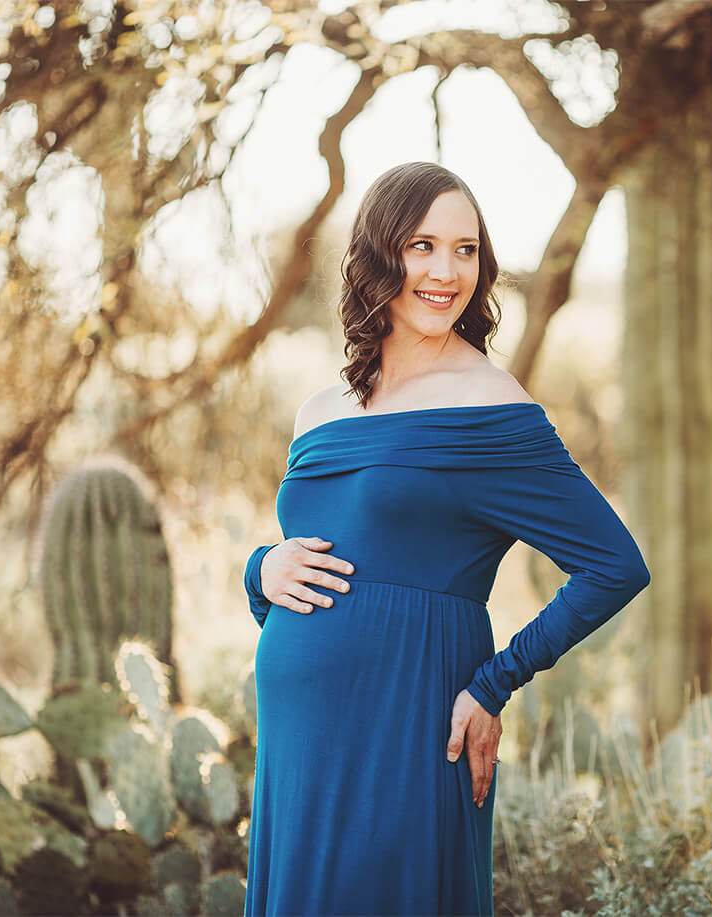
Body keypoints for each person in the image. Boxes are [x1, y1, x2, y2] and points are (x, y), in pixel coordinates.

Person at [240, 162, 649, 915]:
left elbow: (615, 565)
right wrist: (259, 570)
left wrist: (495, 683)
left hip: (410, 721)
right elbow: (320, 550)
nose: (445, 270)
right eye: (423, 245)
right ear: (378, 256)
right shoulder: (319, 410)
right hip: (300, 739)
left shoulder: (492, 408)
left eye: (466, 250)